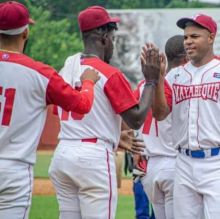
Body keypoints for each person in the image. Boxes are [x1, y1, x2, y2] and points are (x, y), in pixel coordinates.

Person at [48, 5, 160, 219]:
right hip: (93, 161)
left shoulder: (66, 70)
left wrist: (114, 137)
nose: (113, 44)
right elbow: (136, 119)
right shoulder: (109, 73)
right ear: (103, 37)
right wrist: (151, 81)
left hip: (63, 155)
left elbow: (65, 115)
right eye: (113, 38)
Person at [152, 14, 220, 219]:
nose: (188, 42)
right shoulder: (174, 76)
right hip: (184, 162)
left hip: (219, 162)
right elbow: (160, 114)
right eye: (186, 37)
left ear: (211, 37)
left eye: (194, 36)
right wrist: (158, 80)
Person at [0, 1, 100, 218]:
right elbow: (82, 106)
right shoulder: (40, 73)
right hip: (13, 170)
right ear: (25, 32)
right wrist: (88, 82)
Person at [134, 35, 187, 219]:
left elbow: (129, 122)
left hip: (150, 166)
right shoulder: (183, 84)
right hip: (175, 163)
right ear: (186, 57)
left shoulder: (143, 86)